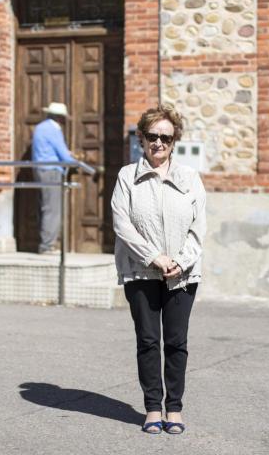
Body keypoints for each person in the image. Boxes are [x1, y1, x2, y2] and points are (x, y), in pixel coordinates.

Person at [111, 104, 206, 435]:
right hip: (141, 272)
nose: (158, 143)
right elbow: (122, 225)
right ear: (141, 138)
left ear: (174, 140)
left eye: (166, 137)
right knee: (148, 341)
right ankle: (153, 407)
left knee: (177, 342)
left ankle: (174, 408)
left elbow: (199, 227)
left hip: (182, 274)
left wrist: (180, 260)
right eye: (152, 136)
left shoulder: (190, 178)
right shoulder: (127, 176)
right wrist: (155, 257)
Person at [31, 102, 76, 254]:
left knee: (45, 207)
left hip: (40, 169)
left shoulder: (40, 127)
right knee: (53, 209)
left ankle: (46, 243)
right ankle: (47, 246)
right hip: (51, 171)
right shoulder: (53, 129)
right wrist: (74, 162)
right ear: (59, 117)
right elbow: (63, 155)